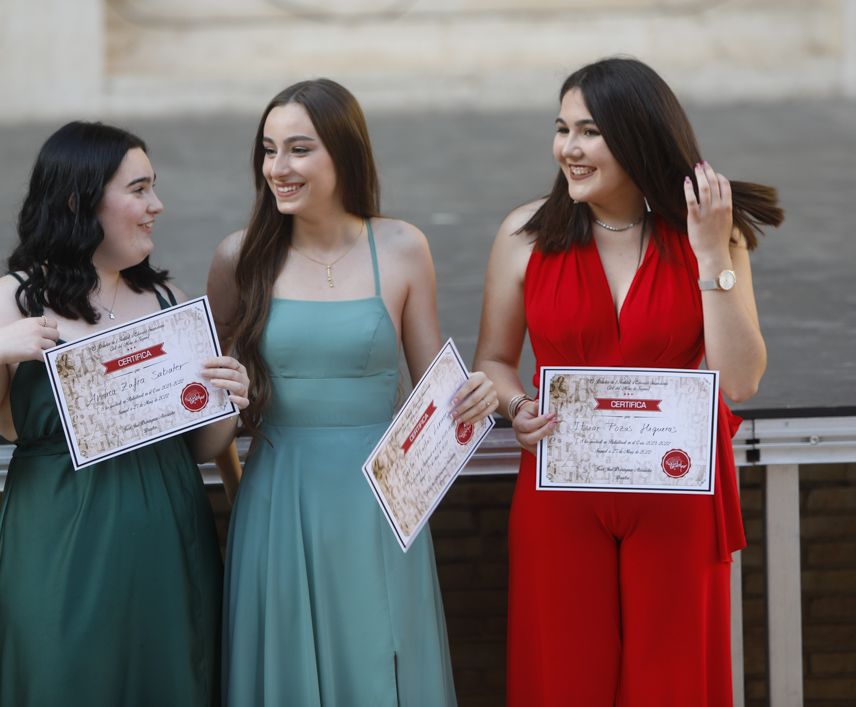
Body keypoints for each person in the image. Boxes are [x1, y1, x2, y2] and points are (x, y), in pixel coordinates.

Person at [473, 58, 783, 706]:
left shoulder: (713, 239)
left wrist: (707, 256)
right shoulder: (523, 236)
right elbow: (494, 362)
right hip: (562, 484)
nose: (569, 148)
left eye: (589, 131)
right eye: (562, 129)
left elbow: (742, 379)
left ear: (638, 136)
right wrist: (518, 405)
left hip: (674, 487)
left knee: (672, 678)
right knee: (562, 673)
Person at [0, 121, 249, 706]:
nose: (157, 205)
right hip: (60, 557)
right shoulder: (7, 303)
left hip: (171, 557)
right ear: (79, 200)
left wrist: (228, 400)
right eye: (140, 189)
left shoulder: (165, 301)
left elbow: (195, 447)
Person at [208, 78, 494, 706]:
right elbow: (213, 417)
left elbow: (433, 397)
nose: (278, 168)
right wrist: (237, 487)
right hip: (277, 501)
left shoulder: (402, 247)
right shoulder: (239, 258)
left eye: (299, 149)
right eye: (268, 149)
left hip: (382, 504)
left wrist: (475, 399)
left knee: (381, 666)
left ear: (344, 152)